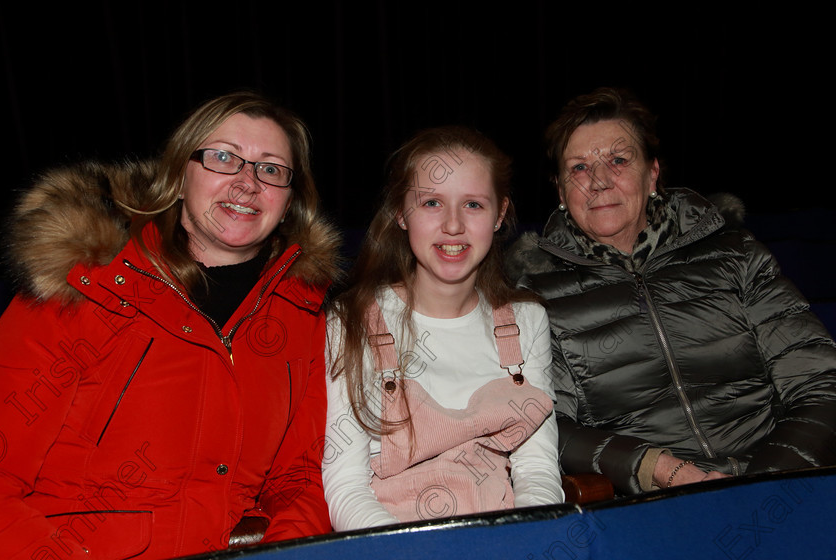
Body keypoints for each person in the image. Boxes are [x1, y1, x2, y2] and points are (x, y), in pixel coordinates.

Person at [0, 92, 340, 559]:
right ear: (179, 176)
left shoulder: (302, 314)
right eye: (223, 158)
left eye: (271, 169)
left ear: (290, 201)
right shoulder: (80, 287)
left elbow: (299, 480)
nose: (247, 183)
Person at [507, 86, 836, 496]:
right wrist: (659, 469)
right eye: (579, 168)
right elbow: (547, 424)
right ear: (560, 191)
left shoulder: (734, 253)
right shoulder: (537, 296)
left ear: (653, 173)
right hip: (653, 500)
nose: (599, 181)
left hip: (781, 483)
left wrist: (761, 483)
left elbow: (820, 383)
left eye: (619, 160)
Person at [322, 126, 564, 531]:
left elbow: (538, 469)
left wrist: (526, 542)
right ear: (401, 212)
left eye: (473, 204)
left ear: (500, 214)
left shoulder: (526, 321)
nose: (453, 225)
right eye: (432, 202)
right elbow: (346, 485)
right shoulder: (349, 323)